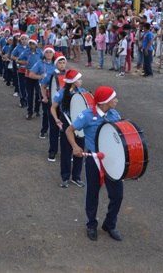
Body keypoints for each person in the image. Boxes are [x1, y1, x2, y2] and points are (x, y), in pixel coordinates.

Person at [66, 86, 123, 242]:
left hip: (112, 160)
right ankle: (91, 224)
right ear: (105, 102)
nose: (117, 100)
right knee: (92, 194)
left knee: (117, 195)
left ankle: (110, 224)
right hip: (94, 160)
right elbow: (69, 130)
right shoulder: (86, 115)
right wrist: (76, 147)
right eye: (114, 98)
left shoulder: (114, 114)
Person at [51, 69, 86, 188]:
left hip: (80, 125)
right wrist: (57, 119)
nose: (81, 81)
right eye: (79, 79)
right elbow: (53, 107)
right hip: (67, 124)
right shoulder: (61, 92)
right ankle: (65, 177)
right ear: (73, 82)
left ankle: (76, 177)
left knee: (79, 151)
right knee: (66, 153)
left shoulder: (82, 92)